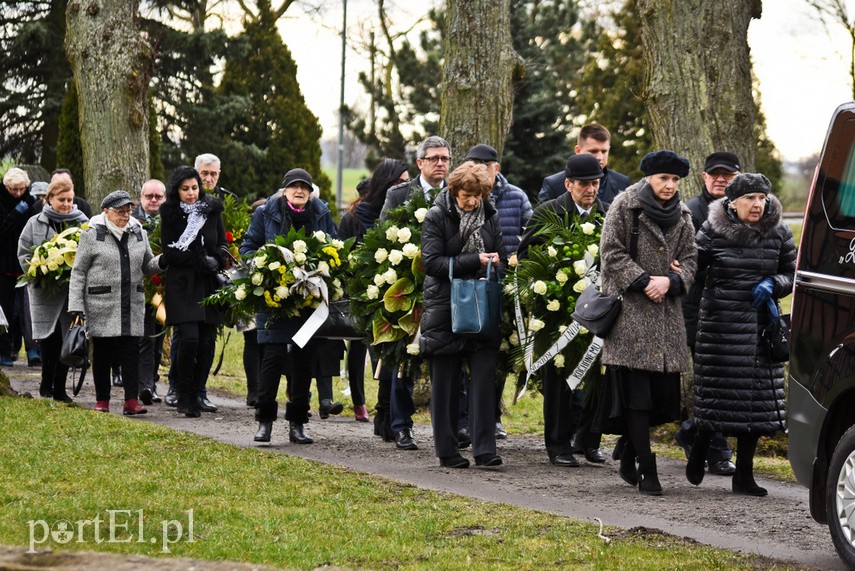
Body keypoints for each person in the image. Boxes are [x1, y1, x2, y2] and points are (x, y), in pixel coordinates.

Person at [686, 173, 794, 497]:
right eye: (750, 198)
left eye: (762, 198)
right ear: (732, 202)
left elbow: (792, 272)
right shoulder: (713, 230)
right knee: (715, 397)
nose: (758, 204)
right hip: (720, 328)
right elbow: (693, 267)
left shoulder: (780, 231)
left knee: (757, 405)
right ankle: (700, 444)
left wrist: (774, 284)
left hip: (762, 329)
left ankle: (744, 475)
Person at [598, 150, 697, 495]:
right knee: (637, 397)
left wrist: (671, 281)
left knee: (660, 400)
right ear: (649, 179)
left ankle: (627, 451)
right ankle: (646, 466)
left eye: (674, 180)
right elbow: (610, 253)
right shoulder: (625, 206)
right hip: (631, 316)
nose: (669, 186)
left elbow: (690, 260)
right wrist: (645, 281)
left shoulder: (684, 215)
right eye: (663, 179)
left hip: (667, 318)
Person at [518, 153, 609, 467]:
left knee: (597, 375)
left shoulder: (607, 215)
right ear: (568, 184)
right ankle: (558, 444)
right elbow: (525, 255)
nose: (591, 189)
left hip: (597, 311)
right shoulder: (549, 212)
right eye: (584, 184)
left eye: (595, 183)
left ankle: (588, 440)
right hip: (557, 310)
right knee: (559, 379)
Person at [241, 168, 337, 444]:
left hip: (309, 298)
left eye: (304, 187)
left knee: (304, 361)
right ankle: (265, 422)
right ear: (284, 190)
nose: (299, 191)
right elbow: (248, 247)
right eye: (294, 186)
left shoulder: (321, 213)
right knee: (272, 358)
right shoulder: (266, 213)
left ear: (310, 191)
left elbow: (335, 245)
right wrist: (267, 266)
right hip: (275, 296)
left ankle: (297, 422)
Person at [420, 161, 506, 468]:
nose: (472, 201)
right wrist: (473, 260)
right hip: (445, 307)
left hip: (483, 307)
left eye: (478, 195)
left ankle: (485, 449)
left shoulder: (491, 216)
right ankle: (448, 450)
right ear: (454, 190)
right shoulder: (436, 216)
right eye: (467, 195)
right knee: (445, 382)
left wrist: (497, 263)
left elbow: (503, 257)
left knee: (484, 380)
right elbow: (431, 263)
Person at [380, 135, 452, 451]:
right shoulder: (399, 195)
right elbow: (383, 236)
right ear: (420, 162)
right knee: (403, 361)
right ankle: (401, 427)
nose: (440, 164)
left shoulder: (456, 193)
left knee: (450, 360)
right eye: (434, 158)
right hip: (406, 287)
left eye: (445, 159)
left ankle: (454, 426)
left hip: (447, 287)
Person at [674, 152, 742, 477]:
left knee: (723, 383)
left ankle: (690, 432)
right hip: (696, 311)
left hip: (732, 313)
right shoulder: (690, 211)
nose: (720, 179)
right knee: (711, 382)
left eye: (727, 175)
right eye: (715, 174)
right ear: (703, 177)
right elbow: (686, 264)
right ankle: (717, 452)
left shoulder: (744, 213)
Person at [68, 191, 165, 414]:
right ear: (106, 212)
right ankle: (102, 400)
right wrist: (76, 306)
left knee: (131, 351)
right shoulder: (92, 234)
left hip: (131, 301)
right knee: (103, 353)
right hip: (102, 303)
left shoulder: (138, 231)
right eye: (120, 211)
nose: (126, 215)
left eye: (128, 210)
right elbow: (79, 271)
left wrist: (165, 259)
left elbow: (148, 265)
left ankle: (131, 401)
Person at [461, 144, 532, 440]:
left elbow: (531, 234)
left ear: (496, 168)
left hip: (504, 282)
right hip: (467, 284)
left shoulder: (516, 196)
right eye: (472, 164)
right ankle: (467, 417)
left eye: (483, 165)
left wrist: (515, 258)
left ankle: (493, 416)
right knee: (467, 353)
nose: (477, 170)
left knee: (499, 354)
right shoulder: (462, 197)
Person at [339, 158, 410, 424]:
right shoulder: (356, 217)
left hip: (400, 291)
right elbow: (343, 253)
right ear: (385, 184)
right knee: (378, 353)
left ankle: (385, 414)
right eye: (400, 182)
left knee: (394, 355)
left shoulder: (407, 212)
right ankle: (373, 407)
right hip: (367, 294)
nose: (405, 187)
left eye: (407, 182)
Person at [160, 165, 227, 418]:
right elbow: (171, 252)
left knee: (207, 341)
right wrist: (200, 260)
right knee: (188, 338)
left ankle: (200, 391)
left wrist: (217, 260)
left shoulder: (211, 211)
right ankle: (183, 393)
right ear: (177, 190)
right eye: (185, 189)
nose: (191, 193)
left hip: (209, 283)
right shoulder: (170, 213)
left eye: (194, 188)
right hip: (183, 284)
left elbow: (221, 243)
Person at [17, 177, 89, 401]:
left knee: (68, 336)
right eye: (61, 200)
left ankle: (60, 388)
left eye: (69, 199)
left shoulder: (83, 222)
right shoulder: (35, 222)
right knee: (49, 338)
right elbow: (24, 253)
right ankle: (46, 383)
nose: (66, 204)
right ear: (49, 199)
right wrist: (40, 270)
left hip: (71, 292)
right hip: (45, 291)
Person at [133, 179, 167, 405]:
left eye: (158, 197)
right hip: (141, 289)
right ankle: (144, 385)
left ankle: (151, 382)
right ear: (142, 197)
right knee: (146, 338)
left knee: (158, 338)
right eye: (149, 196)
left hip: (164, 290)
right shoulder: (134, 222)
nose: (154, 200)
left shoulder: (170, 221)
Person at [539, 123, 630, 205]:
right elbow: (541, 221)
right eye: (593, 151)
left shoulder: (622, 183)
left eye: (604, 151)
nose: (599, 157)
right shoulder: (554, 184)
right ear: (578, 150)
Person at [1, 168, 38, 367]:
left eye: (21, 189)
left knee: (28, 309)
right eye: (14, 189)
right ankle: (4, 350)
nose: (18, 193)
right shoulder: (3, 202)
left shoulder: (31, 202)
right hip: (5, 263)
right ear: (6, 187)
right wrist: (17, 212)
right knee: (6, 310)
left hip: (26, 262)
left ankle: (33, 348)